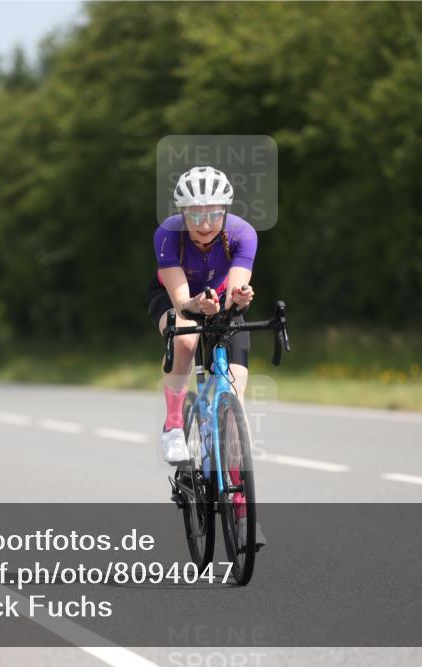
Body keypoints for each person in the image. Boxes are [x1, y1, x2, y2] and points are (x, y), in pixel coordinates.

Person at [148, 166, 264, 549]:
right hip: (177, 299)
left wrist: (238, 298)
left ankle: (243, 510)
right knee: (185, 337)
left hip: (220, 302)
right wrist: (197, 305)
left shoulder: (243, 233)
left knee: (236, 403)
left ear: (225, 210)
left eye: (213, 213)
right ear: (182, 213)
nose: (204, 224)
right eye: (195, 215)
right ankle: (173, 424)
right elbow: (182, 300)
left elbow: (236, 289)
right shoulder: (168, 235)